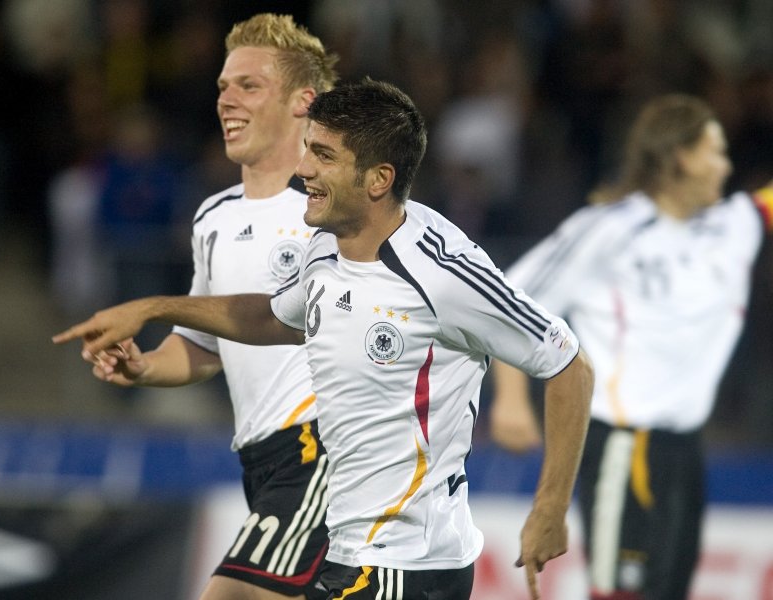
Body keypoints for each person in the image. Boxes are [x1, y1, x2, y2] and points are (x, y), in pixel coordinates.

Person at [54, 78, 594, 600]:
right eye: (308, 149)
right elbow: (276, 318)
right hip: (348, 552)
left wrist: (550, 509)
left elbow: (569, 366)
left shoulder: (442, 272)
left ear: (378, 179)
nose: (304, 168)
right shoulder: (325, 245)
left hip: (405, 567)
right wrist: (153, 310)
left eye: (324, 156)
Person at [74, 14, 339, 600]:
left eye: (249, 85)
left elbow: (282, 319)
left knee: (232, 593)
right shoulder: (213, 218)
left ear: (303, 101)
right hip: (262, 459)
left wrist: (151, 306)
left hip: (325, 448)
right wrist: (143, 365)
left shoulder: (334, 211)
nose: (227, 99)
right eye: (223, 86)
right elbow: (204, 346)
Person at [488, 93, 773, 600]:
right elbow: (511, 302)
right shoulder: (608, 229)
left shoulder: (733, 225)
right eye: (715, 151)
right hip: (623, 445)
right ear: (681, 156)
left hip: (685, 450)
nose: (726, 166)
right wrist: (510, 399)